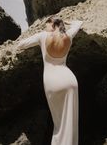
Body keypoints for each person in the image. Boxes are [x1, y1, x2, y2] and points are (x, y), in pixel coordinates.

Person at [17, 17, 83, 145]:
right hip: (70, 79)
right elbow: (79, 23)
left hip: (53, 81)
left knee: (59, 123)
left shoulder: (43, 36)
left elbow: (20, 45)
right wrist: (65, 21)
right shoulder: (68, 35)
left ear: (52, 25)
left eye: (45, 24)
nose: (44, 27)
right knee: (70, 121)